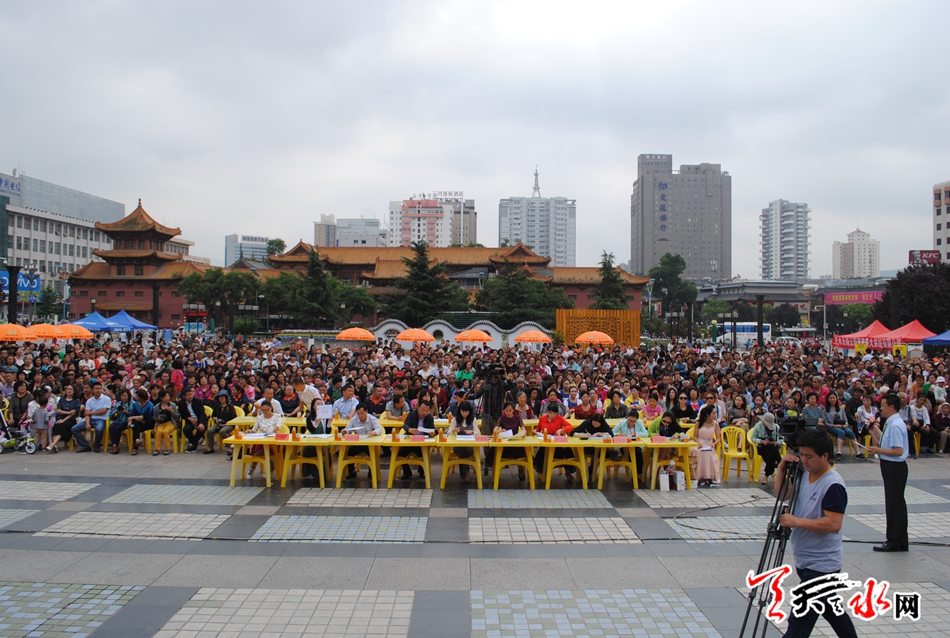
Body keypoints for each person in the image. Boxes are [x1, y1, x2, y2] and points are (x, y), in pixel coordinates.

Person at [775, 428, 858, 638]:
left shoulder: (833, 485)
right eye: (802, 455)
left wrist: (796, 521)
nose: (804, 460)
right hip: (805, 560)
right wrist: (781, 469)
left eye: (809, 456)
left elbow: (833, 524)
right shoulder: (804, 473)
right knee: (831, 609)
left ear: (825, 456)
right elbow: (784, 494)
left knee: (798, 624)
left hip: (822, 565)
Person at [866, 393, 909, 552]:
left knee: (894, 505)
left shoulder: (896, 425)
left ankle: (894, 541)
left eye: (883, 406)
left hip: (894, 467)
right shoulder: (891, 423)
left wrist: (878, 450)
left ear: (891, 407)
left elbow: (898, 451)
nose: (881, 409)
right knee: (896, 504)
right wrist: (874, 431)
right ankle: (900, 540)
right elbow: (887, 443)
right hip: (890, 465)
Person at [343, 402, 384, 479]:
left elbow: (379, 429)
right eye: (358, 414)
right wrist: (345, 431)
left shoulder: (372, 419)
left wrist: (373, 432)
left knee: (372, 455)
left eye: (362, 413)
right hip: (358, 443)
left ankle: (371, 472)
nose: (360, 416)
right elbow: (348, 429)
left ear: (366, 411)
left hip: (369, 444)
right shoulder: (354, 419)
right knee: (348, 453)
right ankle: (352, 472)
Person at [400, 399, 435, 480]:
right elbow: (405, 425)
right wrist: (410, 430)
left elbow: (432, 429)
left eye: (427, 411)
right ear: (418, 408)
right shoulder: (412, 415)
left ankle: (422, 472)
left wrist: (432, 433)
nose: (424, 413)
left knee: (423, 455)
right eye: (423, 410)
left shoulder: (429, 417)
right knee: (400, 454)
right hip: (410, 441)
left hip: (422, 442)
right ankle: (407, 472)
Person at [73, 381, 110, 453]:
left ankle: (96, 446)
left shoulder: (106, 399)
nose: (98, 390)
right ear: (92, 390)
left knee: (99, 429)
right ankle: (85, 445)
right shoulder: (89, 401)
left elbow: (103, 411)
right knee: (74, 428)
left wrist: (91, 413)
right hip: (91, 419)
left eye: (99, 388)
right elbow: (87, 413)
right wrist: (87, 424)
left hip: (101, 419)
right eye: (96, 389)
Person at [447, 400, 477, 484]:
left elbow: (477, 432)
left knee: (466, 450)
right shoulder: (455, 419)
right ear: (459, 411)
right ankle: (466, 472)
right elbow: (448, 432)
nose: (464, 414)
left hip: (469, 445)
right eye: (463, 412)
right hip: (458, 445)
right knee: (462, 450)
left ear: (469, 412)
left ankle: (464, 473)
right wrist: (454, 430)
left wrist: (472, 432)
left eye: (466, 412)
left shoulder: (473, 419)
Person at [691, 404, 721, 488]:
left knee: (710, 454)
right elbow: (695, 436)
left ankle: (710, 476)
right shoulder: (698, 423)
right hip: (700, 443)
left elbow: (718, 438)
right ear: (708, 415)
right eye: (713, 413)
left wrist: (714, 443)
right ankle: (700, 476)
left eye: (715, 413)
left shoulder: (715, 424)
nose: (715, 415)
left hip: (710, 444)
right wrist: (699, 443)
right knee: (700, 453)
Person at [749, 412, 782, 485]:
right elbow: (753, 438)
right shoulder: (758, 426)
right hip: (762, 447)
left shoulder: (776, 427)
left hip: (772, 446)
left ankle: (766, 476)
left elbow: (782, 438)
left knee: (772, 451)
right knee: (771, 454)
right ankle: (780, 463)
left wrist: (777, 442)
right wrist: (761, 441)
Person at [205, 390, 237, 455]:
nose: (221, 399)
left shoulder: (230, 406)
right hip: (219, 424)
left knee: (222, 431)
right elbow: (213, 415)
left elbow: (234, 418)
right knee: (210, 431)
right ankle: (210, 448)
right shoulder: (216, 406)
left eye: (223, 397)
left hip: (229, 424)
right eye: (220, 397)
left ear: (226, 398)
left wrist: (226, 424)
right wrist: (215, 419)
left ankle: (229, 448)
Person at [178, 386, 208, 452]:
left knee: (201, 428)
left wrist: (201, 423)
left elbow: (202, 413)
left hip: (200, 419)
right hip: (190, 420)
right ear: (184, 396)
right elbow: (182, 414)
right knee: (186, 429)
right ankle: (194, 443)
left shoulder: (198, 401)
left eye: (191, 394)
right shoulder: (181, 403)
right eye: (188, 395)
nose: (191, 396)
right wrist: (189, 418)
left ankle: (192, 444)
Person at [152, 389, 180, 456]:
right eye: (165, 396)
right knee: (159, 432)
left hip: (170, 423)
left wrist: (172, 411)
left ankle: (167, 449)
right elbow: (154, 417)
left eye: (168, 396)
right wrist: (157, 418)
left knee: (165, 431)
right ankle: (157, 449)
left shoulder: (172, 405)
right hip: (161, 423)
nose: (167, 398)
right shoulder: (157, 406)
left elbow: (177, 416)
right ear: (161, 398)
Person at [107, 387, 133, 454]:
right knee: (111, 427)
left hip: (127, 422)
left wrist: (126, 412)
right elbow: (110, 415)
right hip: (118, 420)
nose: (124, 397)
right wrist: (114, 412)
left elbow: (133, 415)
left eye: (125, 396)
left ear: (128, 396)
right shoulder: (118, 404)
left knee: (118, 428)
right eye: (122, 396)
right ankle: (114, 445)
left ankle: (116, 445)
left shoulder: (132, 404)